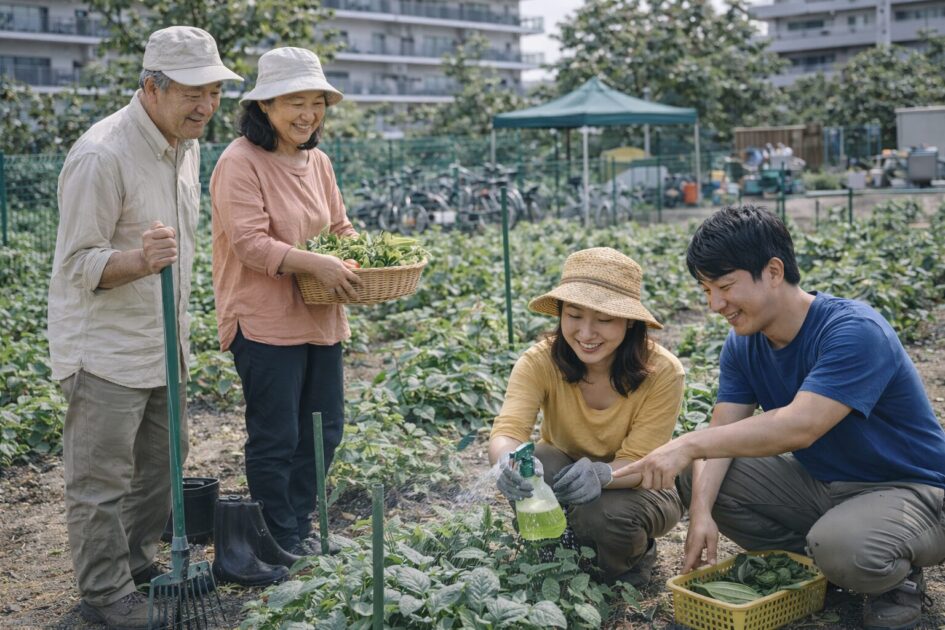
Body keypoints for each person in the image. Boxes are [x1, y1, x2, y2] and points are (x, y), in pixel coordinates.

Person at [613, 205, 945, 630]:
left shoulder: (853, 330)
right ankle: (823, 566)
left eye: (725, 287)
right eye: (706, 290)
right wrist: (701, 514)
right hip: (825, 486)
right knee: (703, 478)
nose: (715, 304)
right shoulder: (743, 345)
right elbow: (723, 430)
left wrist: (687, 443)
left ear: (773, 271)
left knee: (844, 546)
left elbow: (800, 426)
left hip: (913, 489)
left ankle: (894, 578)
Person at [47, 26, 241, 629]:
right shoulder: (101, 155)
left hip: (163, 342)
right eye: (192, 93)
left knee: (159, 470)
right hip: (105, 351)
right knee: (101, 480)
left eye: (214, 92)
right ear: (151, 88)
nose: (206, 106)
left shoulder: (185, 147)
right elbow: (78, 264)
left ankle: (135, 567)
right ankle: (104, 594)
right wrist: (137, 260)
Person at [210, 47, 360, 557]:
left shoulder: (318, 162)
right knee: (276, 435)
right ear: (265, 105)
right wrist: (315, 263)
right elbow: (250, 244)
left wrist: (360, 255)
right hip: (263, 321)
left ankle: (299, 524)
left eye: (317, 103)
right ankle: (277, 536)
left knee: (324, 431)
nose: (308, 114)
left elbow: (339, 227)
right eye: (296, 102)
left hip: (321, 315)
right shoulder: (239, 162)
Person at [489, 247, 686, 587]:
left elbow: (641, 461)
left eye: (604, 319)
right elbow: (508, 430)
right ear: (561, 313)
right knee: (534, 463)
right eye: (574, 315)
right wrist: (506, 462)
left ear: (630, 321)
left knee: (603, 513)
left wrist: (602, 474)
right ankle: (552, 556)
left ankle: (630, 562)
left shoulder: (664, 372)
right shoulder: (539, 362)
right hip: (565, 466)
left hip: (641, 485)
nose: (586, 332)